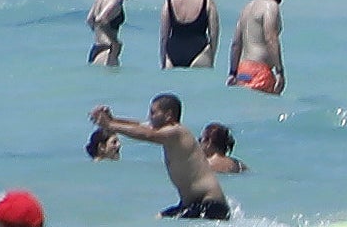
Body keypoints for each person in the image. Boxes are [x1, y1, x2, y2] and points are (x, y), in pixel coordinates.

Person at [87, 91, 245, 219]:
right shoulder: (167, 132)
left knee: (162, 221)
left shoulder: (177, 132)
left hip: (210, 204)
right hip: (191, 204)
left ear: (168, 115)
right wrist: (113, 119)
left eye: (153, 113)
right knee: (159, 219)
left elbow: (148, 135)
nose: (149, 117)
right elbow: (140, 126)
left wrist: (108, 125)